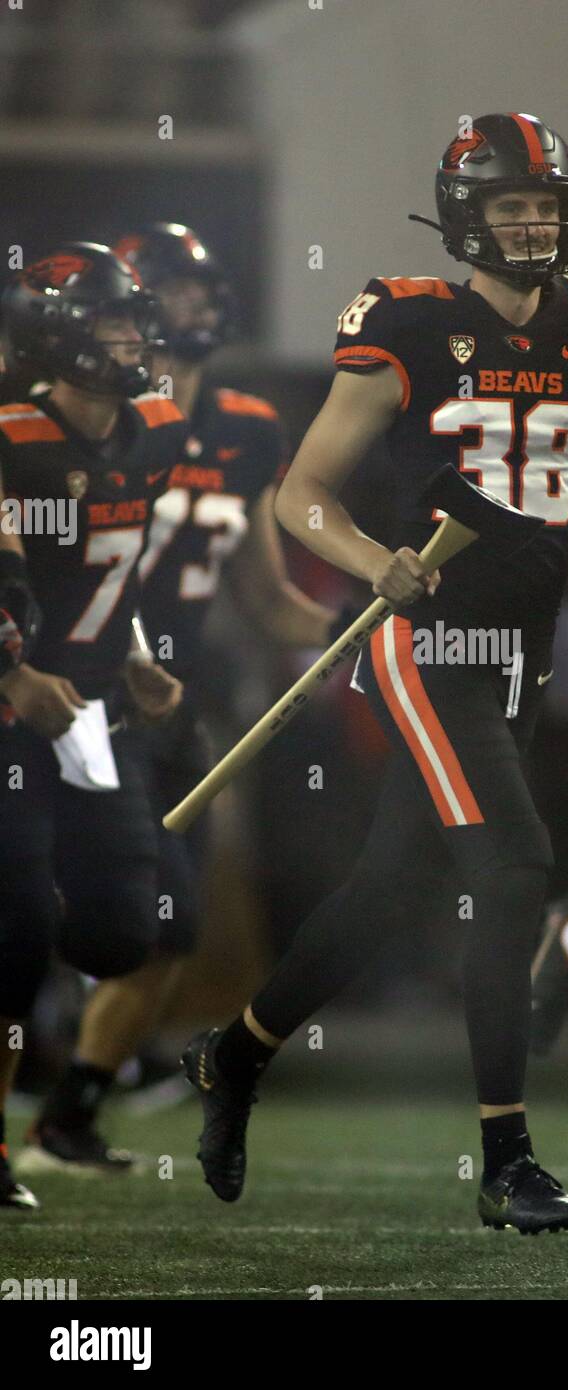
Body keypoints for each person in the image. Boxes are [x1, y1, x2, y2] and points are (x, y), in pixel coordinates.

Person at [182, 112, 568, 1233]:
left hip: (524, 645)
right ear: (467, 216)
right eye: (511, 207)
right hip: (428, 633)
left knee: (391, 885)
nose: (534, 224)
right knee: (513, 863)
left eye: (546, 204)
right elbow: (299, 491)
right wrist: (366, 561)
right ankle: (507, 1158)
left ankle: (235, 1055)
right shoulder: (406, 319)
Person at [20, 224, 345, 1175]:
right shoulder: (79, 422)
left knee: (170, 919)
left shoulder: (244, 429)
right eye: (168, 290)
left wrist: (368, 626)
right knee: (37, 910)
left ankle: (72, 1112)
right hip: (64, 693)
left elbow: (269, 596)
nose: (192, 307)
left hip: (171, 705)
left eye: (200, 289)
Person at [0, 243, 186, 1207]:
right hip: (10, 707)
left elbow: (121, 566)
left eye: (131, 321)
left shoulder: (155, 426)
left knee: (123, 933)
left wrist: (140, 650)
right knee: (18, 927)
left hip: (94, 713)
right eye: (109, 323)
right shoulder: (12, 434)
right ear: (60, 334)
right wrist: (15, 670)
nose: (129, 339)